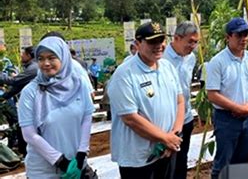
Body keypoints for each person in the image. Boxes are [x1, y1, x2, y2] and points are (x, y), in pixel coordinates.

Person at [108, 22, 184, 179]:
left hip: (167, 150)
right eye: (152, 42)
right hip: (139, 158)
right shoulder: (124, 74)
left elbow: (180, 102)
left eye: (161, 40)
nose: (158, 46)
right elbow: (130, 118)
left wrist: (173, 136)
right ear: (137, 44)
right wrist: (165, 138)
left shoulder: (167, 68)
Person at [17, 36, 95, 178]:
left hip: (77, 166)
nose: (46, 63)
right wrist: (61, 161)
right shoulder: (30, 92)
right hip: (45, 172)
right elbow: (29, 134)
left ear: (63, 58)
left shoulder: (79, 84)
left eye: (52, 58)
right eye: (40, 58)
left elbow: (86, 118)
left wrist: (81, 155)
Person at [206, 17, 248, 179]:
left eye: (246, 34)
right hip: (227, 119)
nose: (244, 38)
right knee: (223, 163)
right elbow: (212, 94)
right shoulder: (218, 62)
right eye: (239, 35)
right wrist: (237, 108)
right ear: (228, 37)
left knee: (242, 161)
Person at [163, 21, 199, 179]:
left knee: (181, 162)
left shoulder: (191, 58)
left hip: (185, 118)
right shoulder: (161, 58)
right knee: (165, 164)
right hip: (166, 123)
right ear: (177, 38)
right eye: (190, 41)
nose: (193, 46)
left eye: (195, 42)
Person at [0, 46, 38, 155]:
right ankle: (23, 151)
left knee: (24, 126)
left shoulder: (33, 68)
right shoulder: (31, 67)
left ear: (29, 56)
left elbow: (14, 81)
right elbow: (18, 86)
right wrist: (4, 97)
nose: (21, 55)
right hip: (30, 104)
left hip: (33, 104)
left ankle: (25, 151)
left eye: (23, 54)